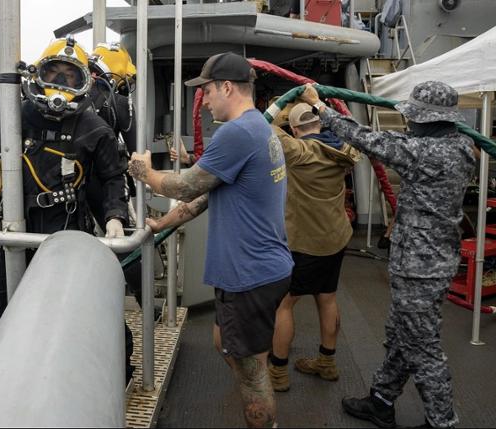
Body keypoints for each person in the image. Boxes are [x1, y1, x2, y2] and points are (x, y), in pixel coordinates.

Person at [0, 36, 130, 373]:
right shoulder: (9, 117)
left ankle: (106, 375)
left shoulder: (93, 127)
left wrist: (114, 216)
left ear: (84, 82)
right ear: (37, 75)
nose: (60, 85)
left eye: (70, 78)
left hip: (65, 231)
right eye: (54, 74)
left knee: (76, 308)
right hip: (9, 230)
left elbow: (113, 177)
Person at [128, 52, 294, 428]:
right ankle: (255, 364)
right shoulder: (257, 127)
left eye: (206, 92)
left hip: (249, 275)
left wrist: (144, 172)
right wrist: (162, 223)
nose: (203, 101)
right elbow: (205, 196)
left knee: (251, 374)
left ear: (227, 87)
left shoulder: (237, 132)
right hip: (261, 269)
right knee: (230, 346)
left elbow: (186, 186)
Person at [299, 81, 475, 428]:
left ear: (426, 120)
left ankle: (443, 421)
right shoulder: (464, 146)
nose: (411, 123)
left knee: (422, 346)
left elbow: (367, 139)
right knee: (402, 335)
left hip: (419, 267)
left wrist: (320, 107)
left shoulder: (423, 151)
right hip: (436, 259)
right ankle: (381, 400)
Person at [268, 102, 360, 392]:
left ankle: (278, 372)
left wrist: (283, 109)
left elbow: (263, 126)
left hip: (304, 243)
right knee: (327, 298)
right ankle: (327, 362)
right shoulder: (345, 148)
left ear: (295, 129)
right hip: (335, 237)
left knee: (284, 304)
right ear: (320, 124)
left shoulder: (298, 151)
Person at [87, 42, 138, 229]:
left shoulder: (73, 95)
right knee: (125, 245)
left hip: (67, 185)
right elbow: (137, 151)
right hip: (104, 184)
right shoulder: (120, 102)